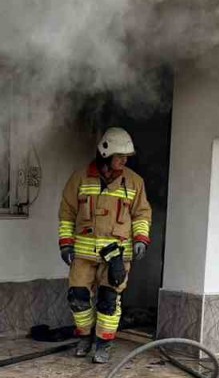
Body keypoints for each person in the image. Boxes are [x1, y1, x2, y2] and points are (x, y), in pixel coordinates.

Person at [57, 127, 152, 364]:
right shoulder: (79, 178)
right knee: (77, 298)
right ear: (105, 153)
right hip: (84, 253)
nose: (124, 160)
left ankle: (104, 344)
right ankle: (85, 338)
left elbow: (142, 215)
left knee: (109, 300)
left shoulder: (134, 182)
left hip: (117, 255)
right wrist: (66, 244)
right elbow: (67, 214)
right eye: (120, 156)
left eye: (126, 156)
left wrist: (141, 239)